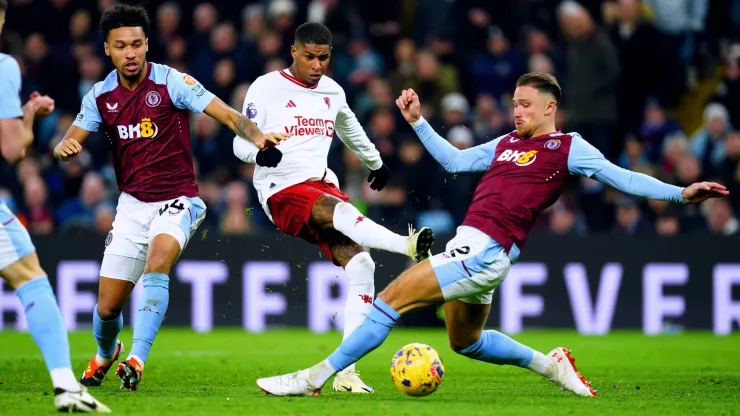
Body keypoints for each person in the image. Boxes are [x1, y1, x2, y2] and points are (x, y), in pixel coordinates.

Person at [255, 72, 728, 397]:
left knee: (389, 300)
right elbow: (455, 160)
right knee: (466, 342)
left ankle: (313, 378)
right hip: (476, 250)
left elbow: (620, 177)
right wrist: (418, 122)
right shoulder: (505, 143)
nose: (516, 111)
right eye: (514, 103)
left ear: (550, 106)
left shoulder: (569, 148)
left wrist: (678, 194)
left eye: (525, 104)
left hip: (484, 250)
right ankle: (552, 365)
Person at [52, 3, 288, 392]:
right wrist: (64, 149)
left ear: (147, 44)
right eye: (121, 46)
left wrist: (259, 137)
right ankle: (106, 352)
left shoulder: (172, 82)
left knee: (157, 264)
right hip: (131, 207)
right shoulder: (100, 96)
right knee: (107, 308)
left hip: (177, 200)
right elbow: (69, 140)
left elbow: (227, 114)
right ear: (107, 49)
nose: (130, 53)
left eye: (137, 44)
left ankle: (136, 359)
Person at [233, 22, 434, 393]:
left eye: (323, 58)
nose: (316, 65)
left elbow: (349, 128)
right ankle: (406, 245)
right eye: (309, 57)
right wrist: (259, 151)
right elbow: (239, 142)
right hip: (282, 189)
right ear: (294, 52)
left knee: (362, 264)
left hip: (320, 184)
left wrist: (375, 162)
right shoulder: (266, 87)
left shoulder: (332, 91)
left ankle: (346, 374)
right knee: (335, 208)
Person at [0, 0, 111, 412]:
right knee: (31, 277)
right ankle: (66, 386)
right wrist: (29, 114)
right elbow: (13, 149)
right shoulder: (4, 66)